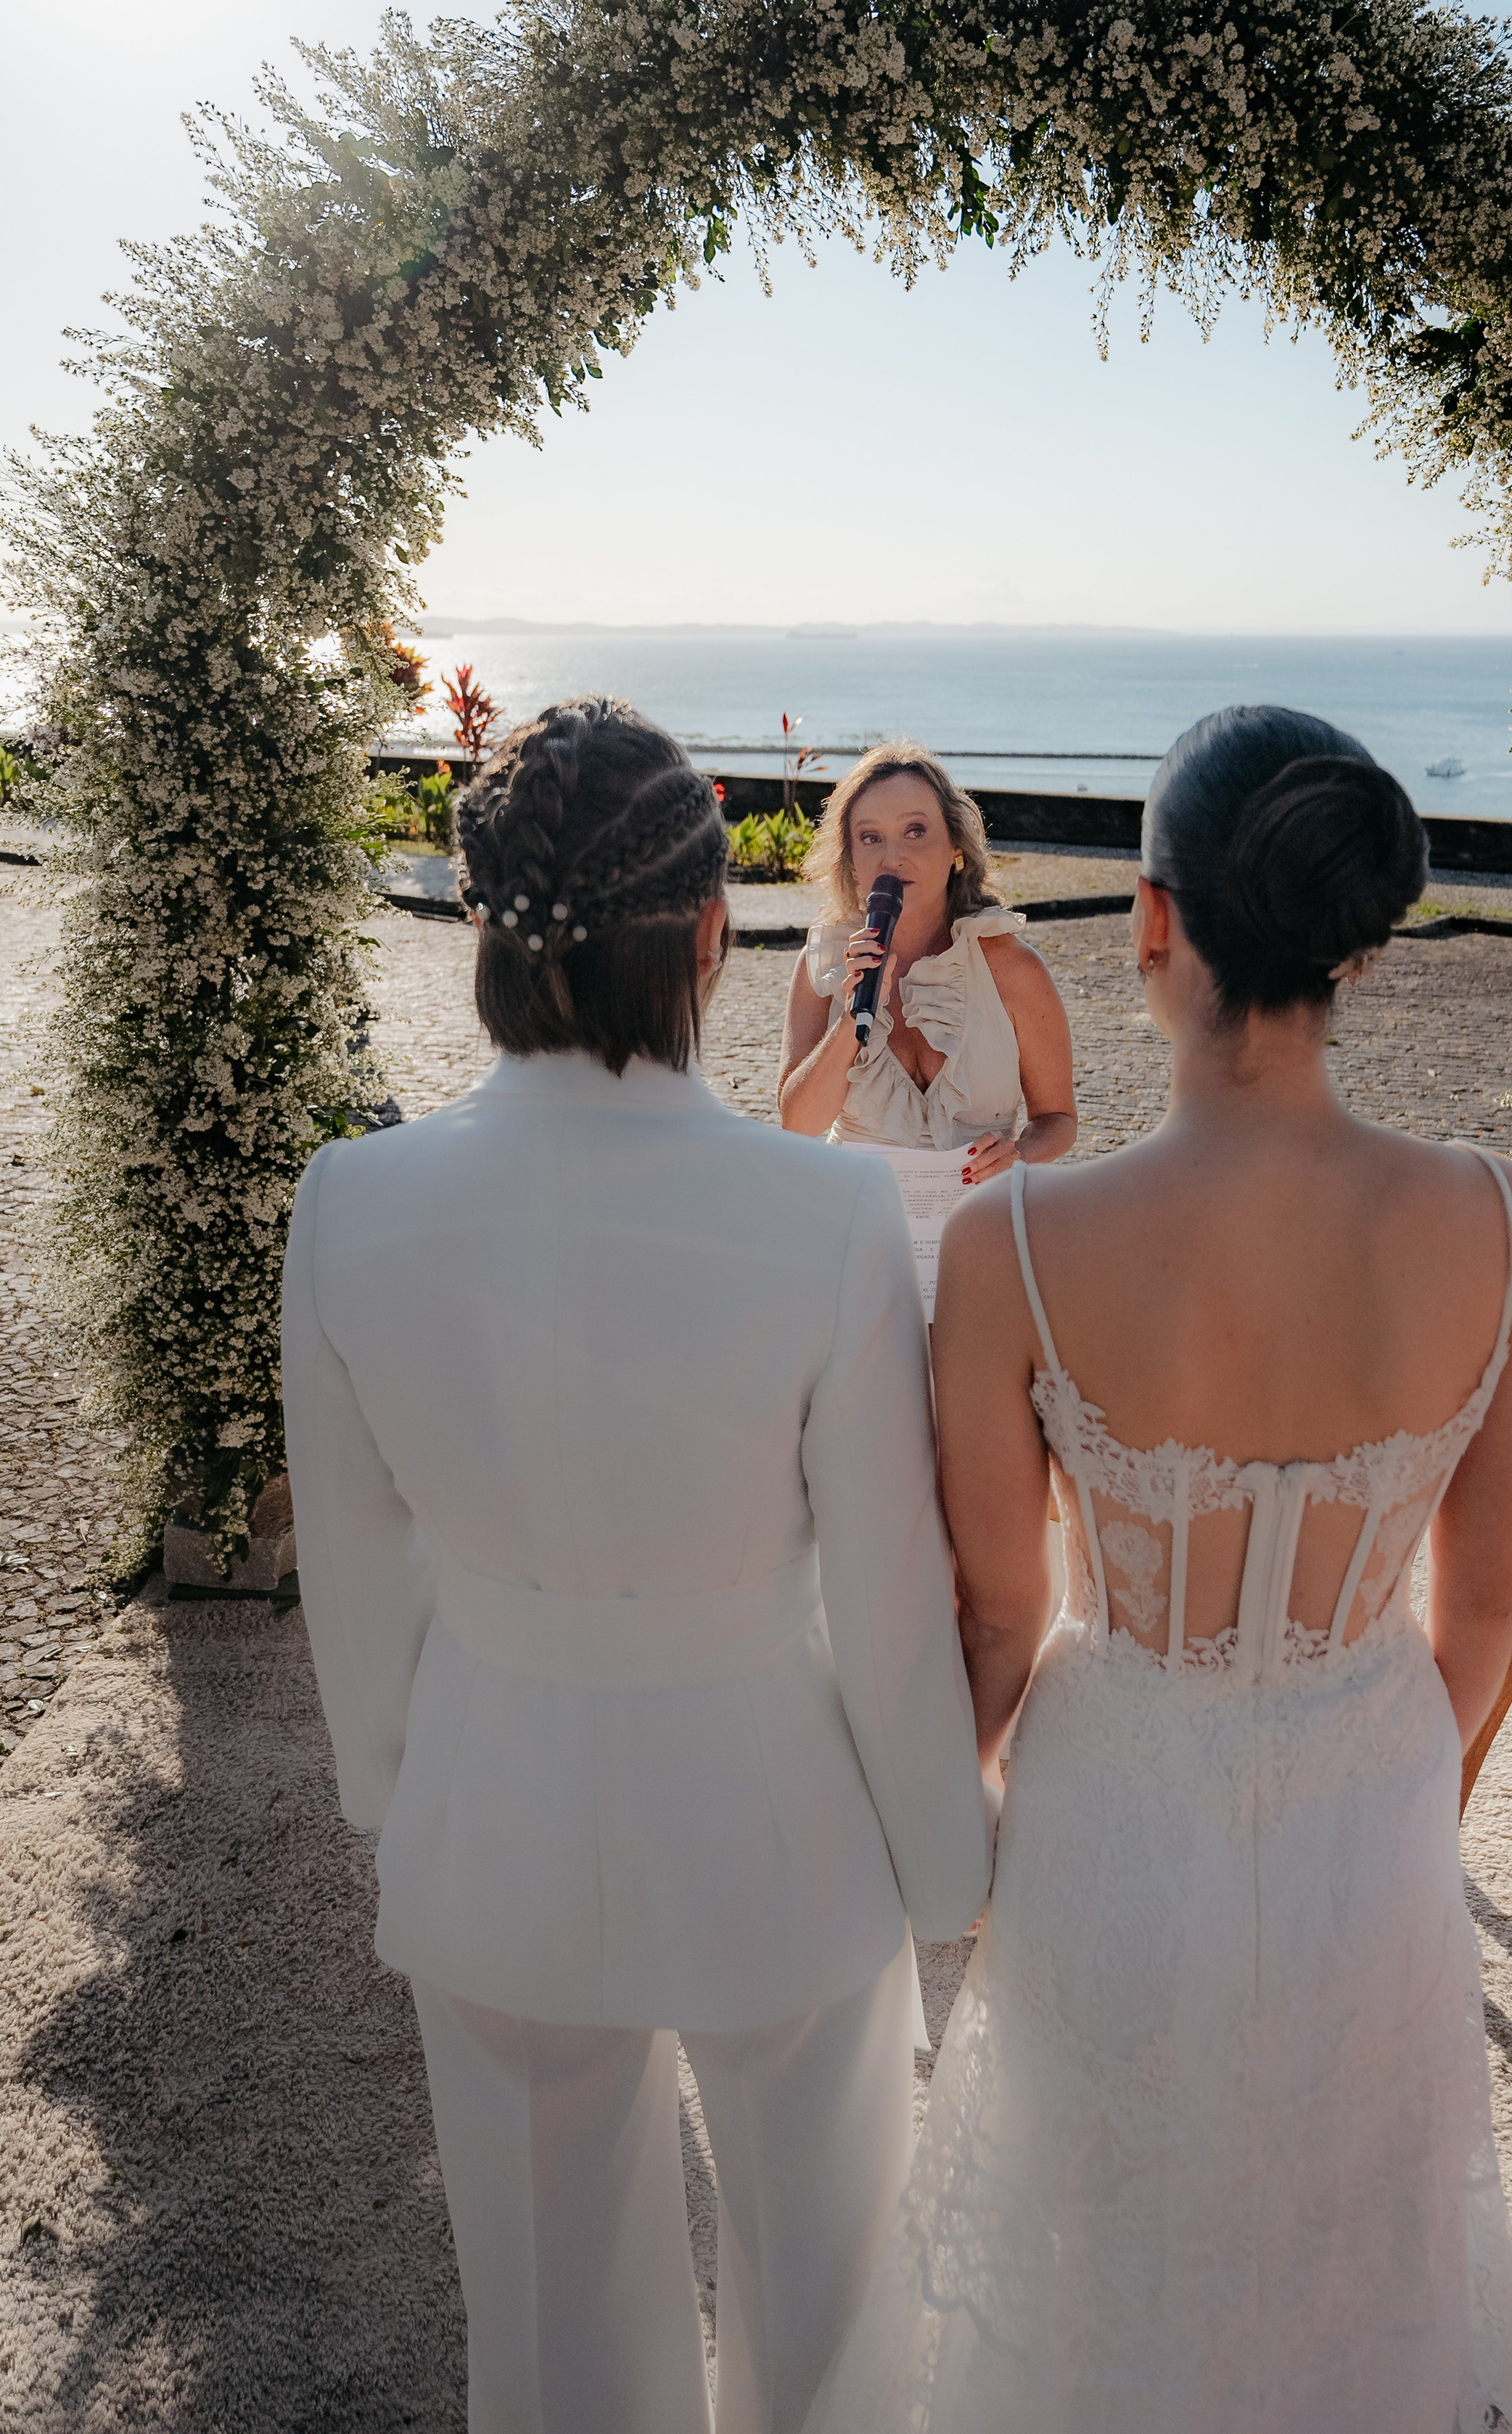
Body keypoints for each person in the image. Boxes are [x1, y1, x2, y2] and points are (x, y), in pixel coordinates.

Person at [806, 705, 1512, 2434]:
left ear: (1150, 920)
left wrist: (943, 1827)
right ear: (1353, 944)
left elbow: (996, 1611)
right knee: (1345, 2250)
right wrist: (1379, 1785)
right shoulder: (1498, 1218)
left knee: (1096, 2259)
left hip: (1113, 1804)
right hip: (1370, 1801)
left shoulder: (1019, 1238)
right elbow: (1480, 1611)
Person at [282, 697, 992, 2434]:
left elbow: (356, 1569)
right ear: (707, 931)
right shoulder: (821, 1211)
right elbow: (887, 1589)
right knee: (825, 2299)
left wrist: (398, 1790)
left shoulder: (350, 1200)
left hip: (492, 1799)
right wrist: (943, 1857)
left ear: (480, 920)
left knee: (547, 2320)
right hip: (772, 1807)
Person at [777, 740, 1076, 1184]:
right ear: (851, 857)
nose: (892, 857)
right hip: (856, 1213)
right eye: (870, 837)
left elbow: (1058, 1119)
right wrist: (851, 1019)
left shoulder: (1014, 968)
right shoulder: (821, 966)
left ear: (955, 845)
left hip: (978, 1216)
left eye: (915, 831)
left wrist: (1018, 1155)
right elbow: (799, 1123)